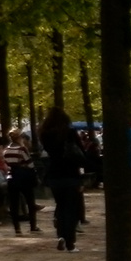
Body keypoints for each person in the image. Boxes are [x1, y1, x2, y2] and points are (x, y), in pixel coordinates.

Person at [40, 107, 84, 251]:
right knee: (71, 207)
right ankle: (70, 241)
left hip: (54, 173)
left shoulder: (44, 134)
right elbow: (80, 151)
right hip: (70, 172)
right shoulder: (69, 133)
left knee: (60, 205)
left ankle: (60, 236)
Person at [3, 129, 40, 235]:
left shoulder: (6, 150)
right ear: (20, 137)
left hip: (12, 177)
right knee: (30, 201)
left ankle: (17, 228)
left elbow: (7, 163)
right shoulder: (22, 149)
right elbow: (30, 164)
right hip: (24, 178)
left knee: (14, 203)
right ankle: (33, 226)